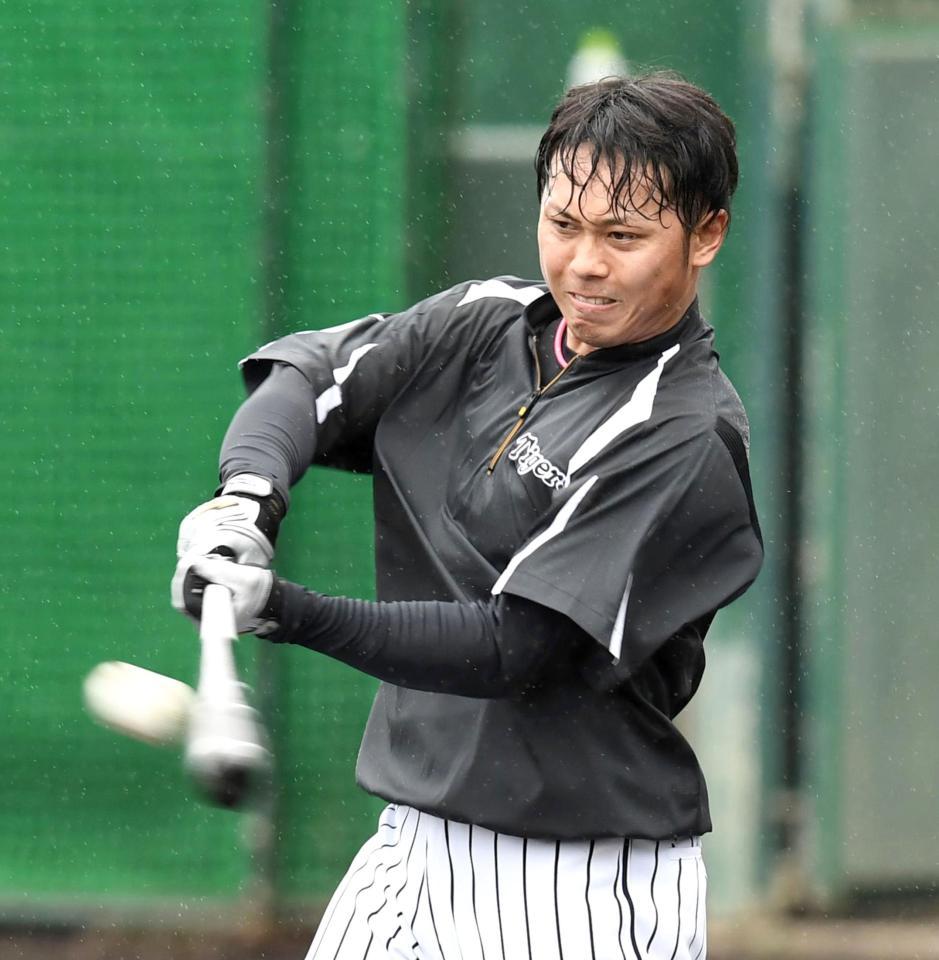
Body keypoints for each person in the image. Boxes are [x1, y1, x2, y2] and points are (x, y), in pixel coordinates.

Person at [172, 71, 763, 960]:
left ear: (705, 234)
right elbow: (306, 380)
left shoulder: (683, 433)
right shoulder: (483, 323)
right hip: (410, 844)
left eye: (623, 236)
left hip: (577, 885)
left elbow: (513, 648)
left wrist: (281, 609)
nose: (584, 263)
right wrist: (244, 502)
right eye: (563, 225)